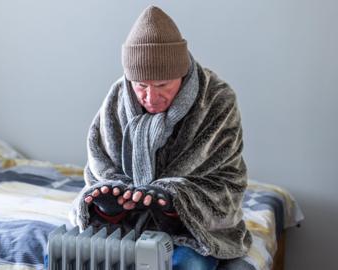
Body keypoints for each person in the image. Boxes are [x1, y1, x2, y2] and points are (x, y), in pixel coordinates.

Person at [70, 5, 251, 270]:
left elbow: (226, 182)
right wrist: (111, 200)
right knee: (62, 256)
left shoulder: (217, 100)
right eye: (141, 85)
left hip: (194, 231)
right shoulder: (118, 96)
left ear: (182, 72)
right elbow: (99, 167)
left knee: (188, 264)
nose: (151, 98)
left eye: (163, 85)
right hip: (124, 226)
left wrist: (172, 201)